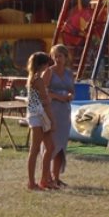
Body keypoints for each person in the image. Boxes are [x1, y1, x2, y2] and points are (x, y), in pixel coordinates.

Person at [42, 44, 74, 187]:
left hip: (64, 112)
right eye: (55, 56)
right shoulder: (49, 72)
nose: (57, 59)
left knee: (61, 146)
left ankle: (56, 177)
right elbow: (43, 91)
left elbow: (72, 90)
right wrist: (58, 97)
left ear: (65, 57)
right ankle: (46, 175)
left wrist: (69, 95)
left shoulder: (69, 73)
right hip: (52, 110)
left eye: (60, 56)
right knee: (50, 145)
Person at [25, 52, 56, 191]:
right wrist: (52, 120)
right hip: (38, 116)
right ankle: (32, 183)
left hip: (36, 115)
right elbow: (46, 102)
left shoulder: (33, 78)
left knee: (50, 147)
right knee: (35, 149)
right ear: (43, 65)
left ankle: (44, 179)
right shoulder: (39, 80)